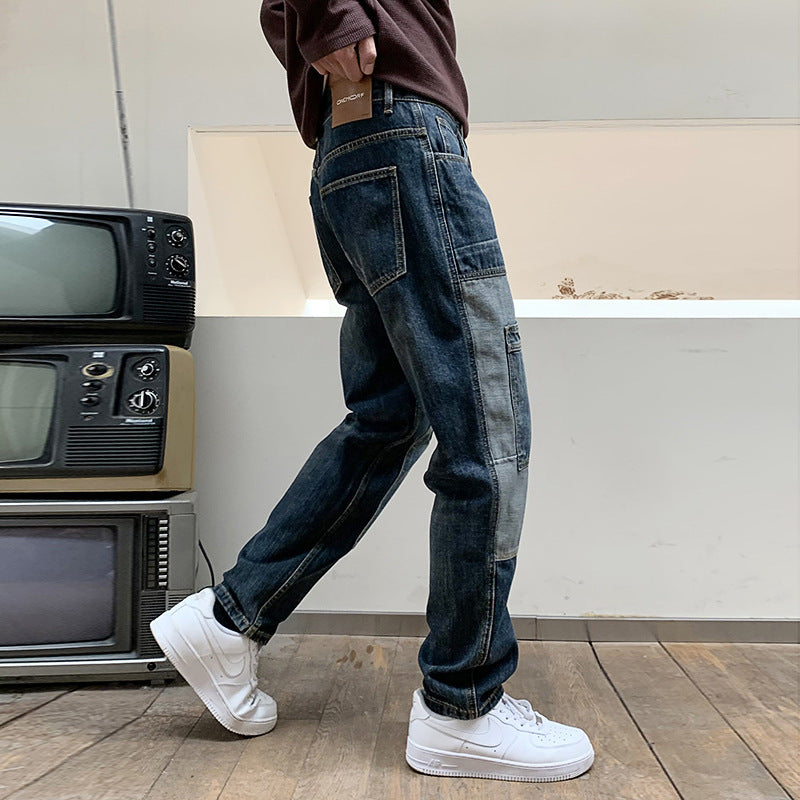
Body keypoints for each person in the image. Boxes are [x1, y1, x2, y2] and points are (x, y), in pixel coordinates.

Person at [150, 0, 595, 783]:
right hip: (401, 136)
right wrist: (332, 19)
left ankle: (231, 619)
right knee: (486, 431)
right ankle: (465, 706)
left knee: (390, 420)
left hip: (360, 147)